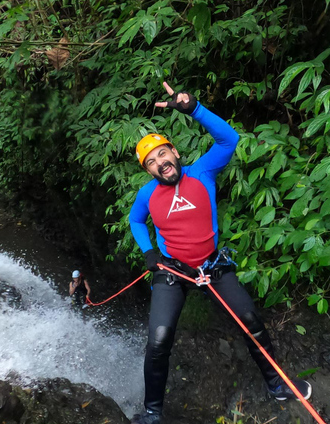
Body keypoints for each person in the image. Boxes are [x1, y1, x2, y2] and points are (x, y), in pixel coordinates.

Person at [128, 82, 312, 424]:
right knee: (158, 341)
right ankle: (153, 412)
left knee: (251, 322)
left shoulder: (202, 172)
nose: (160, 163)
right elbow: (136, 220)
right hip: (173, 271)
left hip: (212, 266)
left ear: (175, 153)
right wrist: (149, 253)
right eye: (152, 162)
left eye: (163, 154)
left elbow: (230, 140)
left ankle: (277, 385)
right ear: (148, 171)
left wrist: (194, 109)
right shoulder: (147, 195)